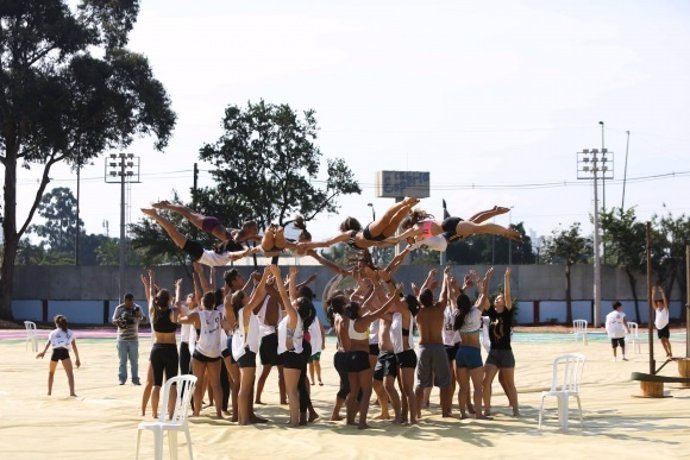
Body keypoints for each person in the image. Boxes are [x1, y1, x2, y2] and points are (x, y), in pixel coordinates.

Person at [297, 196, 420, 251]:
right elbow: (377, 245)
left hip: (373, 236)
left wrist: (308, 245)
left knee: (389, 219)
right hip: (379, 239)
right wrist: (391, 242)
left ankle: (405, 202)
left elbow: (326, 243)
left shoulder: (349, 235)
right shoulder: (349, 237)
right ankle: (408, 204)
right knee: (393, 219)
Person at [141, 208, 254, 266]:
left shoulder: (225, 254)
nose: (237, 259)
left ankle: (155, 215)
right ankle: (155, 214)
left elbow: (236, 242)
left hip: (198, 252)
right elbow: (237, 253)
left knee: (173, 234)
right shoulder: (228, 255)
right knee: (173, 233)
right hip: (198, 252)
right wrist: (249, 251)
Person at [453, 267, 493, 419]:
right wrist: (486, 279)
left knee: (463, 388)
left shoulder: (457, 316)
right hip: (473, 352)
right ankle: (479, 414)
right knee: (477, 387)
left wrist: (461, 288)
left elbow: (459, 299)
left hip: (461, 352)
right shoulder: (475, 313)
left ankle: (463, 414)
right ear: (469, 302)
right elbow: (484, 295)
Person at [414, 268, 453, 418]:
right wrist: (445, 278)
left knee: (420, 383)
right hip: (438, 347)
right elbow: (445, 294)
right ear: (432, 299)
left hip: (423, 348)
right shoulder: (438, 310)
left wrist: (429, 279)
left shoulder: (418, 312)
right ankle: (445, 412)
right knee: (445, 383)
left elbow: (420, 295)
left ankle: (417, 413)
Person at [397, 206, 520, 252]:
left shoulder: (418, 234)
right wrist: (493, 212)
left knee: (478, 228)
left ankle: (506, 231)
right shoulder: (421, 230)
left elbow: (407, 246)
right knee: (475, 223)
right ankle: (495, 213)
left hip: (450, 230)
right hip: (451, 228)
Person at [482, 267, 520, 416]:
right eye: (498, 298)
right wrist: (486, 279)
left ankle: (516, 409)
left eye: (501, 299)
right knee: (485, 382)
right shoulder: (491, 313)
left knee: (509, 384)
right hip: (493, 353)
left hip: (506, 353)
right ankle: (487, 409)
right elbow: (483, 297)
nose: (500, 299)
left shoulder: (507, 313)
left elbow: (508, 295)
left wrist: (506, 278)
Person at [152, 200, 259, 246]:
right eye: (254, 228)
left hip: (213, 223)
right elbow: (234, 241)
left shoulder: (248, 235)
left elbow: (260, 238)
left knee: (189, 212)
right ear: (246, 229)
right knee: (188, 214)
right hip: (209, 225)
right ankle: (165, 205)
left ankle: (167, 205)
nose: (256, 230)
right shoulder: (240, 234)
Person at [147, 271, 180, 419]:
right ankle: (171, 413)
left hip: (157, 349)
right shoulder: (173, 312)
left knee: (156, 384)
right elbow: (177, 302)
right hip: (170, 349)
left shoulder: (153, 311)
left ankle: (154, 413)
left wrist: (151, 279)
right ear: (168, 301)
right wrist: (178, 288)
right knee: (172, 383)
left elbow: (150, 296)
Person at [36, 315, 81, 397]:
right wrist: (77, 359)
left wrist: (43, 352)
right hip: (64, 352)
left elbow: (48, 343)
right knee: (70, 374)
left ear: (56, 323)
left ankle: (49, 393)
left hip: (55, 352)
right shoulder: (70, 333)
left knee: (51, 373)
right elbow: (74, 346)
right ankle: (72, 393)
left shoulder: (53, 333)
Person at [112, 292, 145, 385]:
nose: (130, 304)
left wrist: (139, 315)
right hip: (122, 339)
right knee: (122, 361)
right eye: (128, 302)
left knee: (134, 361)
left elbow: (145, 320)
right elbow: (113, 320)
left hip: (134, 338)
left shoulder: (137, 308)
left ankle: (135, 379)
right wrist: (118, 321)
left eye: (131, 302)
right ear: (124, 301)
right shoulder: (119, 308)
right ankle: (122, 378)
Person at [654, 286, 673, 358]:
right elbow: (653, 302)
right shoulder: (657, 310)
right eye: (658, 304)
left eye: (660, 304)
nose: (659, 305)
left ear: (663, 304)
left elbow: (665, 300)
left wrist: (662, 293)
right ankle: (667, 352)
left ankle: (671, 352)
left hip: (664, 326)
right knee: (662, 341)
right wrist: (653, 293)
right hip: (658, 327)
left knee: (666, 339)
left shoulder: (665, 309)